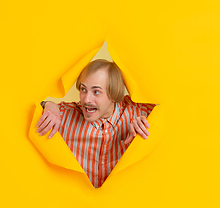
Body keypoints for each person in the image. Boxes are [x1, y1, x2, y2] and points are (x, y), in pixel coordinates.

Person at [36, 59, 155, 188]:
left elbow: (170, 115)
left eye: (96, 92)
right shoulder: (66, 116)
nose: (86, 99)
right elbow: (34, 107)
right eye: (83, 89)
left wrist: (148, 127)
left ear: (114, 94)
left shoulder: (138, 113)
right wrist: (48, 105)